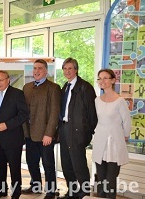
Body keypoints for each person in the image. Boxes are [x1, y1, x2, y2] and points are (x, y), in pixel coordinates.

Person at [58, 58, 97, 199]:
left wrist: (86, 133)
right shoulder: (65, 86)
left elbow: (92, 114)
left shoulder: (85, 87)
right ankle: (72, 191)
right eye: (65, 69)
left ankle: (84, 193)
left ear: (76, 69)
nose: (67, 71)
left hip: (77, 132)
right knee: (66, 164)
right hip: (64, 129)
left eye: (70, 68)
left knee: (78, 164)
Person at [22, 59, 61, 199]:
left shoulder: (53, 88)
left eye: (39, 68)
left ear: (46, 71)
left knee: (48, 164)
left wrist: (49, 133)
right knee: (31, 162)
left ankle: (51, 191)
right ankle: (36, 186)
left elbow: (54, 113)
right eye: (34, 68)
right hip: (29, 134)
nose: (36, 71)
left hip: (45, 135)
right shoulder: (26, 87)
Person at [0, 70, 29, 199]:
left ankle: (16, 193)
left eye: (1, 80)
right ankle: (1, 191)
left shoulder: (17, 94)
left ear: (8, 80)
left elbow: (23, 114)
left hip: (13, 138)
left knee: (14, 167)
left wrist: (8, 125)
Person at [92, 69, 131, 199]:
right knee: (101, 176)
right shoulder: (97, 100)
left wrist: (125, 135)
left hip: (114, 142)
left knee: (111, 178)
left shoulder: (120, 100)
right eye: (99, 78)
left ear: (113, 80)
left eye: (105, 78)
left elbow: (127, 121)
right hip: (100, 140)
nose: (102, 81)